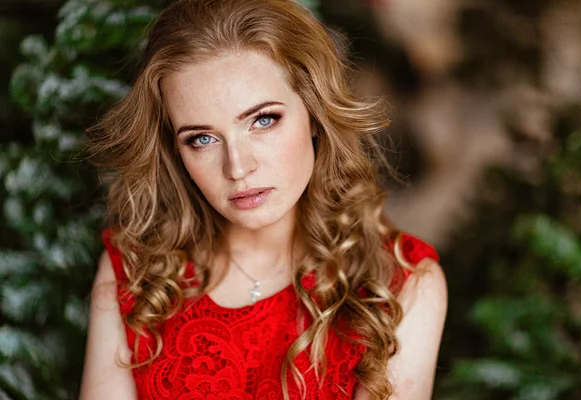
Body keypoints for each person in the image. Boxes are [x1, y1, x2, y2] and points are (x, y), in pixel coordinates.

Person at [79, 0, 447, 399]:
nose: (237, 168)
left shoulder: (401, 285)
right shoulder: (133, 270)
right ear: (175, 148)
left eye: (263, 120)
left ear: (315, 114)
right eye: (201, 138)